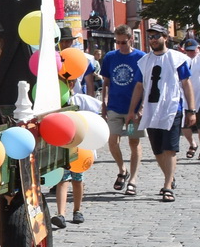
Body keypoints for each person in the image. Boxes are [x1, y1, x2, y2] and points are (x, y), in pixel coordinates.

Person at [124, 23, 195, 203]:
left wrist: (191, 110)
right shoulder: (144, 61)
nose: (153, 40)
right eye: (151, 37)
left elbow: (186, 84)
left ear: (166, 37)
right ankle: (170, 177)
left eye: (156, 36)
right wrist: (132, 110)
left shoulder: (177, 58)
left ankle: (167, 186)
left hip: (172, 108)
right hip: (151, 109)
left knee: (169, 149)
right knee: (157, 150)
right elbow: (139, 87)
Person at [99, 26, 144, 195]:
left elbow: (145, 85)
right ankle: (122, 169)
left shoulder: (141, 57)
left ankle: (133, 178)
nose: (120, 45)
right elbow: (106, 82)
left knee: (134, 142)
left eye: (123, 42)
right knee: (112, 140)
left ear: (131, 39)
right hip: (115, 108)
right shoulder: (110, 57)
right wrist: (104, 103)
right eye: (117, 42)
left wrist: (141, 107)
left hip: (132, 111)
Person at [52, 91, 101, 228]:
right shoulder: (54, 104)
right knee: (62, 180)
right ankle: (60, 214)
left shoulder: (79, 100)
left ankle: (77, 210)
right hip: (64, 146)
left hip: (80, 147)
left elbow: (96, 113)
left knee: (77, 180)